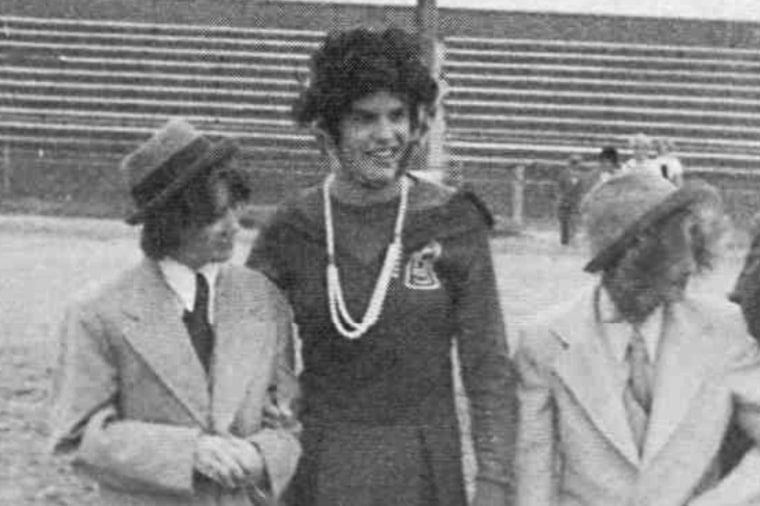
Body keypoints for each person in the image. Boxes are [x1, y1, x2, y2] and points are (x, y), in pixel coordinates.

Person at [247, 27, 517, 506]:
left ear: (417, 124)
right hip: (320, 463)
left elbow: (488, 368)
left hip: (424, 465)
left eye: (397, 116)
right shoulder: (290, 229)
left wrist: (494, 485)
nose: (385, 134)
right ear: (329, 129)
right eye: (364, 119)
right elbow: (248, 362)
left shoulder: (454, 220)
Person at [49, 118, 301, 506]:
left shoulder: (264, 300)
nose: (234, 226)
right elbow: (77, 437)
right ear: (171, 222)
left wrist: (261, 456)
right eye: (213, 217)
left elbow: (287, 420)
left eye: (234, 208)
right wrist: (189, 453)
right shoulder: (98, 313)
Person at [515, 171, 760, 506]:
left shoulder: (723, 329)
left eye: (694, 247)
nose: (690, 266)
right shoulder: (545, 340)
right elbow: (533, 472)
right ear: (631, 255)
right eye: (676, 250)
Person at [556, 154, 589, 246]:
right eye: (573, 163)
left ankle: (572, 239)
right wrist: (561, 199)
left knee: (574, 222)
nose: (575, 165)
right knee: (564, 223)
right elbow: (559, 188)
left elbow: (583, 190)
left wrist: (581, 201)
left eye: (576, 163)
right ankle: (565, 241)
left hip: (575, 202)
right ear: (570, 163)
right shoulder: (563, 175)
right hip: (564, 202)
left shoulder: (582, 176)